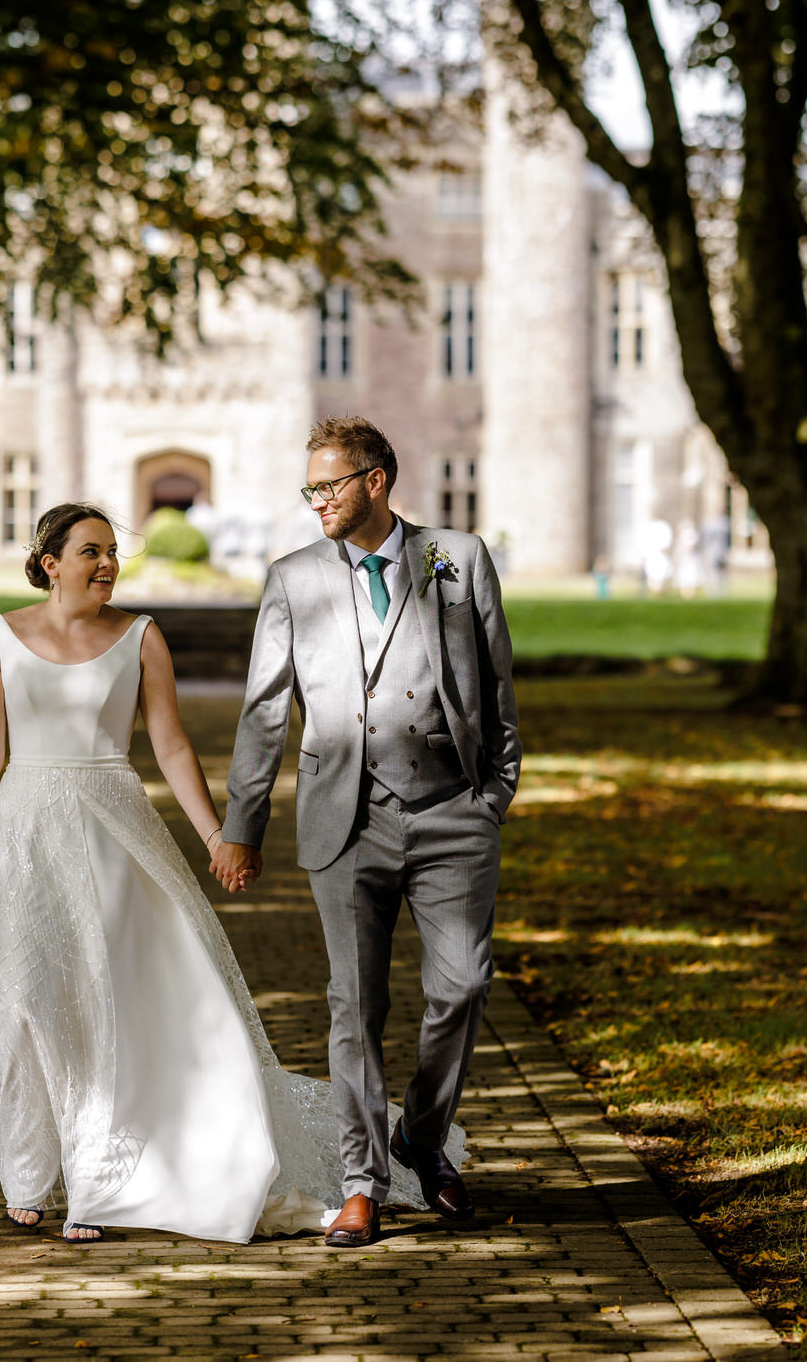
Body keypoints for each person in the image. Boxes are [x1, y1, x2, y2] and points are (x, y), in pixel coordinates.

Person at [0, 502, 444, 1244]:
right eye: (89, 551)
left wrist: (217, 835)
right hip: (28, 826)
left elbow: (171, 746)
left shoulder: (140, 637)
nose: (106, 565)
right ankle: (28, 1170)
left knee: (111, 996)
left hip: (114, 828)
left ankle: (97, 1183)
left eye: (112, 552)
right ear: (49, 562)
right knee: (30, 996)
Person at [212, 416, 520, 1249]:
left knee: (462, 987)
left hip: (454, 811)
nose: (315, 501)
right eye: (309, 488)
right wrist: (243, 824)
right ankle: (362, 1181)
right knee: (355, 1004)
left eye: (328, 486)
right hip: (345, 819)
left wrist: (495, 793)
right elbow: (264, 711)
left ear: (375, 481)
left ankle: (421, 1133)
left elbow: (497, 683)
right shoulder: (292, 579)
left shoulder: (457, 558)